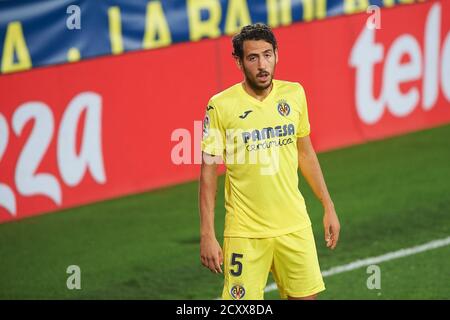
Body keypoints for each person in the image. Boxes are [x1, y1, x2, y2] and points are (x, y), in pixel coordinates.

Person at [199, 23, 340, 300]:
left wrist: (328, 205)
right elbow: (208, 172)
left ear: (277, 54)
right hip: (245, 233)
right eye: (253, 58)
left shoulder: (294, 94)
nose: (262, 65)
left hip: (294, 225)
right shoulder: (220, 105)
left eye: (267, 55)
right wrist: (207, 233)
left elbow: (305, 153)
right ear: (238, 61)